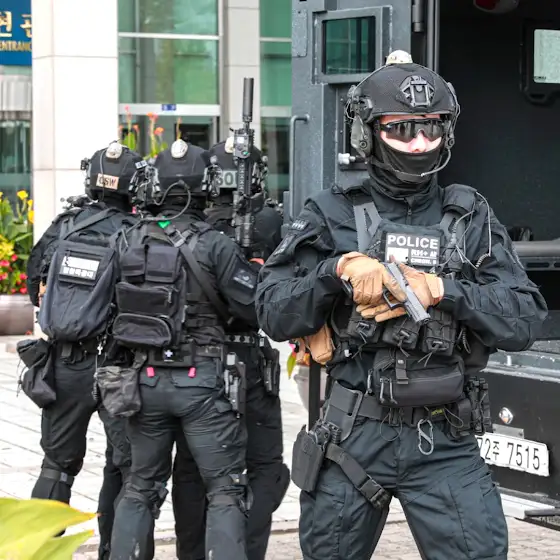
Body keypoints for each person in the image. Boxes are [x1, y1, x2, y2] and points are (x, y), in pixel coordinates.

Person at [255, 53, 548, 560]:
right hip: (353, 433)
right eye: (402, 128)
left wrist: (443, 290)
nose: (419, 143)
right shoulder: (331, 211)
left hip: (444, 437)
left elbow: (525, 318)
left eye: (432, 127)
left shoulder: (469, 214)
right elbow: (273, 312)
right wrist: (335, 272)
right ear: (367, 134)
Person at [109, 139, 257, 560]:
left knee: (139, 487)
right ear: (206, 184)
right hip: (202, 383)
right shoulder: (216, 244)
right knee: (225, 490)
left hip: (143, 382)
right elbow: (252, 308)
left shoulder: (128, 239)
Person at [170, 138, 289, 560]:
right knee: (263, 467)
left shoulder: (186, 227)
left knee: (191, 469)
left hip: (194, 363)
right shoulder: (270, 221)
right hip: (249, 359)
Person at [24, 142, 142, 558]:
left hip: (65, 364)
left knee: (56, 467)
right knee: (129, 471)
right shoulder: (137, 232)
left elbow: (35, 284)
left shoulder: (65, 226)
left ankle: (38, 552)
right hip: (119, 368)